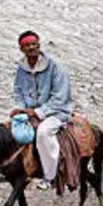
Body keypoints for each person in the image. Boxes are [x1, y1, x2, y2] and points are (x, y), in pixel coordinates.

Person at [11, 31, 74, 187]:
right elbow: (18, 91)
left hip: (57, 111)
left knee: (44, 133)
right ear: (21, 49)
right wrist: (19, 109)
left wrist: (39, 112)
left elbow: (60, 97)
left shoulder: (55, 66)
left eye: (34, 44)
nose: (32, 47)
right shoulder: (22, 68)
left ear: (39, 45)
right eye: (27, 45)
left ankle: (50, 176)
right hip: (30, 111)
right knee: (8, 131)